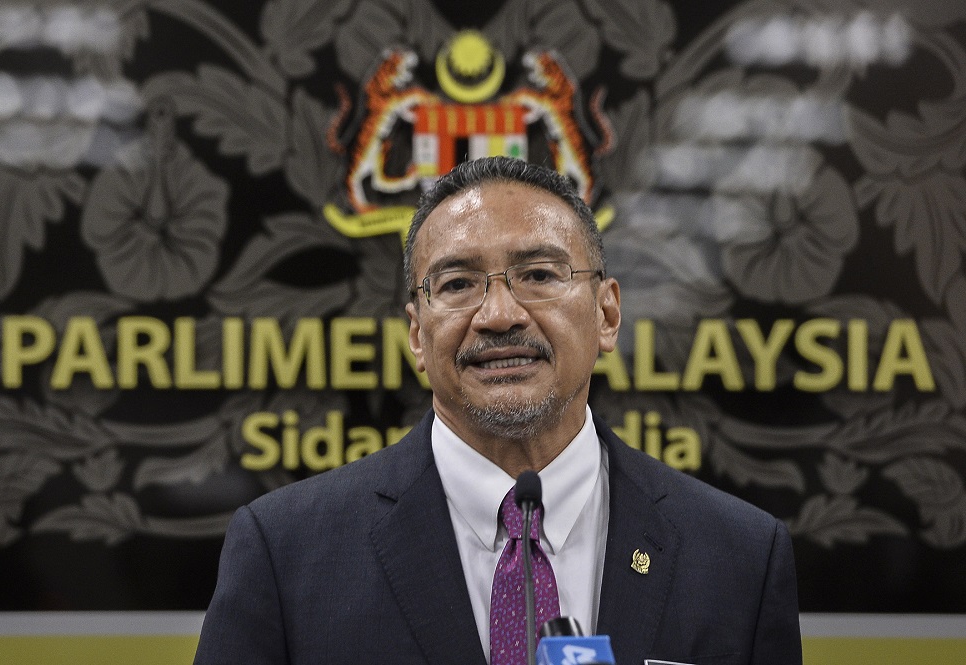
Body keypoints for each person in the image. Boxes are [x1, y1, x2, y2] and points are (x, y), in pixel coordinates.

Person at [193, 157, 803, 665]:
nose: (499, 314)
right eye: (457, 284)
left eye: (538, 273)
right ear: (416, 333)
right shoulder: (286, 553)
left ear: (607, 314)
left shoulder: (739, 558)